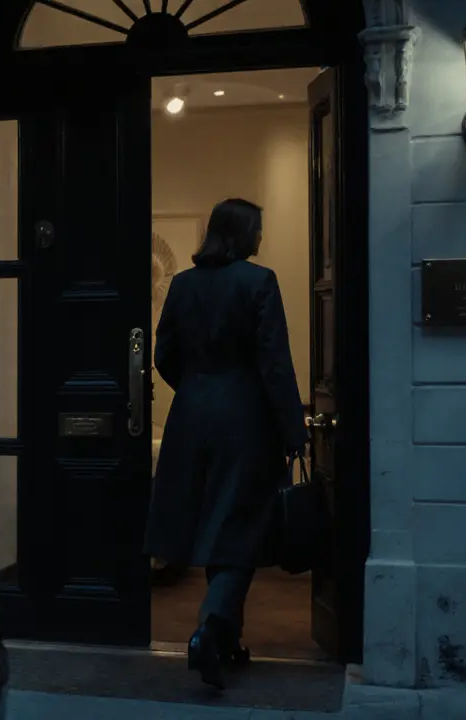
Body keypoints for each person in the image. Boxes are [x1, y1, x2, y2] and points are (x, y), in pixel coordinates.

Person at [144, 197, 308, 690]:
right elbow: (274, 363)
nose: (260, 239)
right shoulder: (259, 282)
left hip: (191, 416)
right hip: (246, 422)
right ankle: (211, 627)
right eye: (256, 230)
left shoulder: (183, 284)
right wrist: (293, 431)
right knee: (240, 529)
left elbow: (163, 354)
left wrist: (198, 389)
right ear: (241, 235)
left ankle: (227, 640)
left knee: (215, 524)